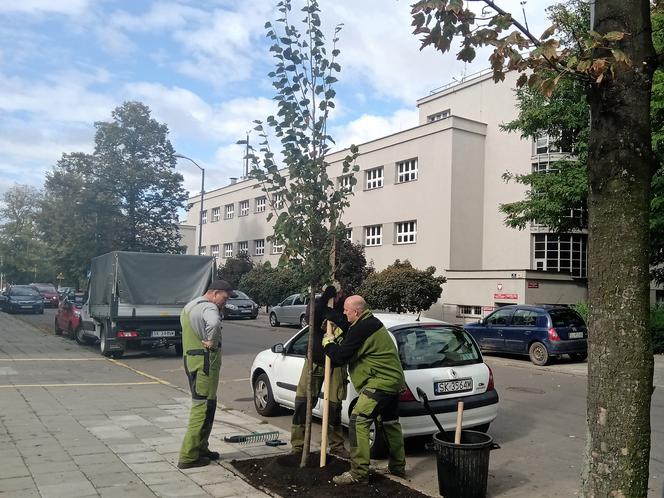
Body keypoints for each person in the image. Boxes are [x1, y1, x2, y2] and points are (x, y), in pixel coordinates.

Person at [322, 295, 406, 485]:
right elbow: (349, 334)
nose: (344, 313)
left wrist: (328, 342)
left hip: (381, 383)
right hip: (393, 381)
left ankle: (358, 473)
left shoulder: (362, 328)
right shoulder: (369, 323)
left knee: (358, 421)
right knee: (390, 423)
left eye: (346, 310)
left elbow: (341, 356)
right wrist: (336, 322)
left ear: (356, 312)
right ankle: (397, 468)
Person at [177, 279, 233, 469]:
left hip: (191, 361)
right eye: (224, 299)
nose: (224, 303)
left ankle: (202, 448)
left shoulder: (191, 305)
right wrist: (211, 340)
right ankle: (188, 455)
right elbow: (215, 324)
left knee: (208, 405)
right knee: (201, 408)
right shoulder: (209, 308)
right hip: (205, 365)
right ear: (215, 293)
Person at [290, 285, 350, 459]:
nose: (338, 297)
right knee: (302, 403)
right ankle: (298, 446)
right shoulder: (317, 303)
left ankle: (336, 445)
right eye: (335, 294)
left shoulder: (345, 307)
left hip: (336, 363)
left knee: (334, 406)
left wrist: (337, 317)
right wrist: (324, 301)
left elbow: (348, 326)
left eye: (340, 294)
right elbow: (310, 319)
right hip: (314, 361)